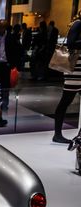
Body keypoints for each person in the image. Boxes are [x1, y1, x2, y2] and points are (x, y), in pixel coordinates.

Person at [52, 12, 81, 143]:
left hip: (78, 70)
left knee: (66, 101)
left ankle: (59, 134)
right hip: (75, 70)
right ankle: (57, 134)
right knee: (65, 101)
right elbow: (71, 43)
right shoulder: (78, 24)